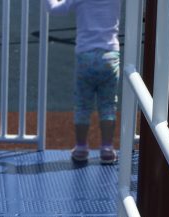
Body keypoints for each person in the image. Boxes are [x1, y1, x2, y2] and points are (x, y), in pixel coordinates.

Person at [45, 0, 121, 164]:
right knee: (108, 105)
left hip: (85, 56)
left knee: (82, 105)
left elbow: (53, 9)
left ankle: (81, 148)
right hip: (110, 57)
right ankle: (107, 148)